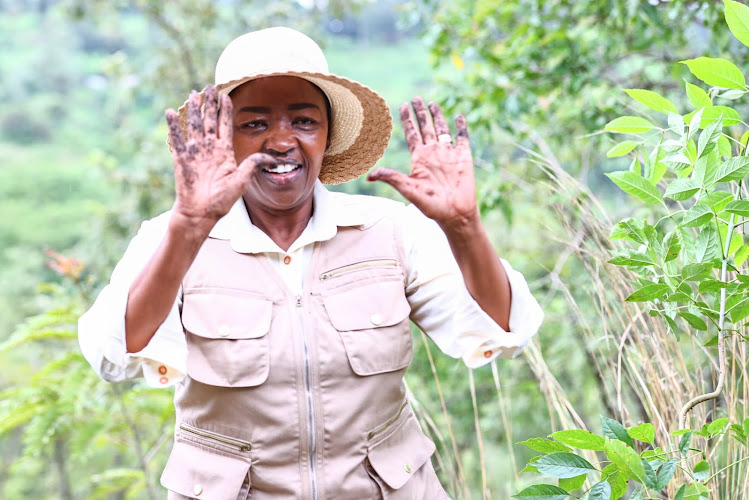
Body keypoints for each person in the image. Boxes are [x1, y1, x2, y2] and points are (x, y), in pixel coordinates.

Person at [78, 26, 543, 500]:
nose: (281, 142)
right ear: (224, 139)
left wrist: (464, 227)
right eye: (255, 124)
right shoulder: (172, 236)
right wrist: (189, 228)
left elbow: (505, 329)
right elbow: (113, 353)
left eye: (303, 121)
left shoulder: (391, 231)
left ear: (328, 134)